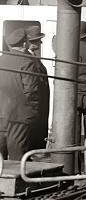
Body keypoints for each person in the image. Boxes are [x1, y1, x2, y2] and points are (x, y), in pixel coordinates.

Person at [0, 27, 46, 159]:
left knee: (0, 151)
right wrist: (33, 112)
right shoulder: (27, 62)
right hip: (19, 116)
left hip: (1, 114)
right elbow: (31, 91)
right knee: (17, 152)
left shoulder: (1, 60)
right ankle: (18, 179)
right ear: (25, 43)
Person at [25, 28, 50, 150]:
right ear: (31, 42)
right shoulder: (29, 59)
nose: (41, 43)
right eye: (39, 41)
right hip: (36, 108)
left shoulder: (33, 57)